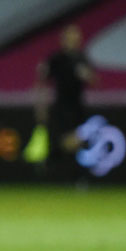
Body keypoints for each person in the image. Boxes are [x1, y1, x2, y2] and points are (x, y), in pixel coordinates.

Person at [33, 24, 98, 179]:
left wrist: (87, 75)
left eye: (75, 37)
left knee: (75, 143)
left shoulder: (82, 58)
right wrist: (40, 106)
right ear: (63, 39)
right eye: (69, 36)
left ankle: (52, 164)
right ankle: (59, 168)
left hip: (77, 106)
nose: (72, 40)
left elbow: (95, 80)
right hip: (61, 107)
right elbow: (41, 79)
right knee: (69, 142)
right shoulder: (57, 59)